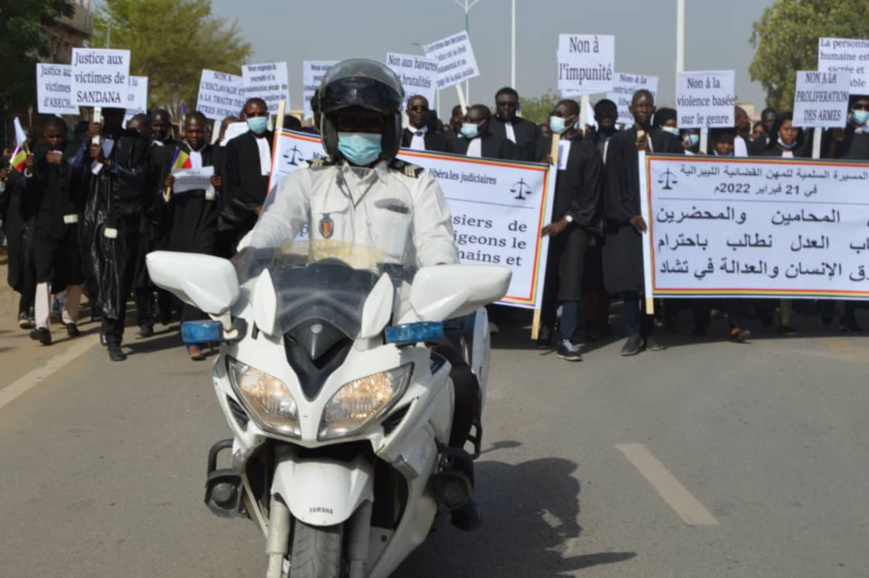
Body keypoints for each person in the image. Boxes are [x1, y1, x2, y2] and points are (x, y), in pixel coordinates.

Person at [245, 59, 482, 531]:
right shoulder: (306, 180)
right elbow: (272, 228)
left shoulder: (416, 183)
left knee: (459, 379)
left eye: (371, 123)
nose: (360, 132)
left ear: (390, 127)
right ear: (330, 128)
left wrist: (440, 284)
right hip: (318, 312)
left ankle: (453, 470)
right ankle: (248, 461)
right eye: (349, 123)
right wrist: (247, 258)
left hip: (395, 318)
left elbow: (438, 246)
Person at [602, 90, 683, 356]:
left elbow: (676, 175)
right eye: (640, 105)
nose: (645, 110)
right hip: (628, 221)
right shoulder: (618, 141)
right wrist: (629, 215)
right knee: (630, 282)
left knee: (652, 281)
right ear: (631, 109)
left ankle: (649, 330)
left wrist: (651, 154)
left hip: (659, 220)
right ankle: (632, 332)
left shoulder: (666, 141)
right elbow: (613, 183)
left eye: (649, 106)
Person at [536, 99, 604, 361]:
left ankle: (566, 336)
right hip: (544, 225)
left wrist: (566, 220)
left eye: (560, 114)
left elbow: (591, 194)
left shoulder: (588, 151)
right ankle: (543, 326)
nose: (555, 117)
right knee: (546, 277)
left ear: (573, 118)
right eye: (553, 113)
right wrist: (539, 167)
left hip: (574, 227)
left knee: (571, 280)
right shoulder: (542, 146)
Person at [79, 107, 149, 361]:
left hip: (121, 217)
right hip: (93, 217)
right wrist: (87, 144)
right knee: (97, 276)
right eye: (104, 114)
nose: (108, 119)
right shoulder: (87, 139)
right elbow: (72, 172)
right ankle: (104, 320)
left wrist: (110, 164)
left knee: (117, 278)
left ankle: (113, 337)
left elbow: (139, 176)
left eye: (114, 114)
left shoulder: (136, 142)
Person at [163, 112, 222, 360]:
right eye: (191, 131)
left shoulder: (218, 154)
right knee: (187, 284)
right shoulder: (174, 154)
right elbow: (161, 197)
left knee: (201, 279)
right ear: (183, 131)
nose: (195, 135)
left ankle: (194, 341)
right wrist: (167, 185)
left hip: (208, 224)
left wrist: (221, 186)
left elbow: (230, 188)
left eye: (199, 131)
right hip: (182, 225)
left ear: (206, 131)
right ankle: (195, 333)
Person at [759, 112, 805, 336]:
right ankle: (766, 310)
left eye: (795, 129)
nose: (791, 133)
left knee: (789, 273)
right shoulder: (767, 154)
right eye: (787, 129)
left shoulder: (805, 153)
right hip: (772, 223)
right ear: (778, 129)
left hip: (798, 222)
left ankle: (785, 321)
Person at [223, 98, 274, 249]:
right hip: (246, 218)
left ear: (267, 115)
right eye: (252, 115)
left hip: (275, 214)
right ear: (245, 117)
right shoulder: (234, 146)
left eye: (261, 114)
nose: (257, 118)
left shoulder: (277, 141)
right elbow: (231, 183)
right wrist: (253, 206)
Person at [1, 138, 38, 329]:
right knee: (17, 266)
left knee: (29, 262)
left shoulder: (37, 160)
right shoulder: (6, 163)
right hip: (13, 222)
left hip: (33, 220)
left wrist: (30, 171)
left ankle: (25, 308)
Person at [446, 104, 516, 160]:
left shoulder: (503, 145)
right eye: (465, 120)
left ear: (484, 123)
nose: (466, 123)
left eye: (471, 121)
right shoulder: (454, 144)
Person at [489, 87, 536, 161]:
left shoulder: (529, 127)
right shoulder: (487, 125)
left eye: (511, 104)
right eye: (502, 104)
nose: (506, 107)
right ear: (496, 105)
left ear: (517, 105)